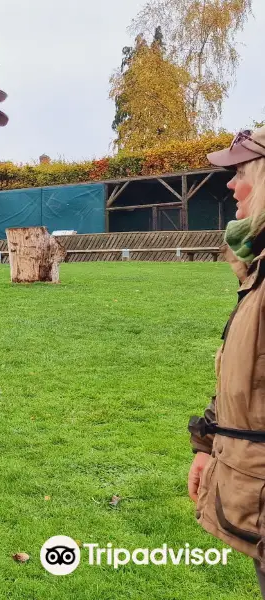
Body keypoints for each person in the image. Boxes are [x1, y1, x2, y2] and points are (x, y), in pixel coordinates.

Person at [188, 126, 265, 595]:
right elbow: (247, 377)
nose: (230, 185)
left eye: (240, 173)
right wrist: (206, 443)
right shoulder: (257, 269)